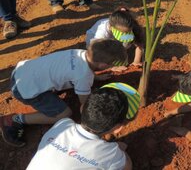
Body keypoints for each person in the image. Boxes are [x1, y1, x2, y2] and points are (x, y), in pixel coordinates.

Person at [0, 38, 128, 147]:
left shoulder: (80, 54)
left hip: (21, 73)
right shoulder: (83, 76)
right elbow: (85, 106)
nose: (112, 66)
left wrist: (95, 77)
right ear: (102, 65)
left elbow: (77, 70)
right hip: (24, 90)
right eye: (112, 64)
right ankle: (15, 120)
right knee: (64, 114)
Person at [27, 82, 139, 169]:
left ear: (82, 108)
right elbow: (127, 166)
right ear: (118, 128)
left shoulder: (63, 124)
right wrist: (119, 150)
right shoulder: (112, 154)